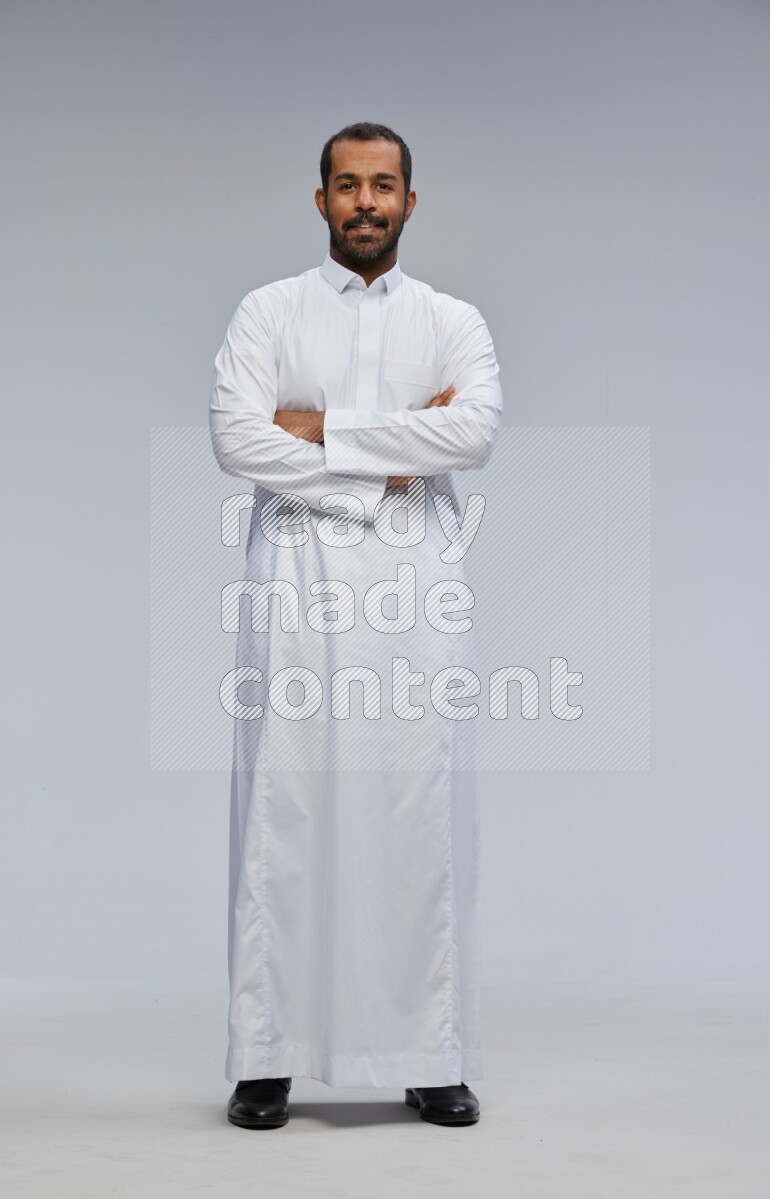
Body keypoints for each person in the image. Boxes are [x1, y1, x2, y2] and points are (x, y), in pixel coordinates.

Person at [209, 121, 503, 1129]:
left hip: (415, 592)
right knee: (285, 809)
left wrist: (323, 430)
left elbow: (472, 429)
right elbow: (237, 439)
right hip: (294, 588)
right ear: (320, 199)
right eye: (347, 185)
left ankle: (428, 1052)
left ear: (410, 201)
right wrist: (390, 459)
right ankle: (266, 1054)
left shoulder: (452, 319)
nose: (365, 202)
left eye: (384, 186)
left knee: (412, 805)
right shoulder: (268, 311)